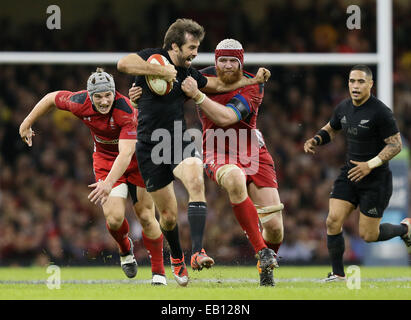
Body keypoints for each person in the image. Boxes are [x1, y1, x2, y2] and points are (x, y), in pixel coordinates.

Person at [118, 18, 270, 286]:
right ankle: (177, 258)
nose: (195, 53)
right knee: (167, 216)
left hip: (177, 138)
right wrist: (161, 73)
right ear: (175, 46)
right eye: (191, 47)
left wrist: (253, 79)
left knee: (195, 178)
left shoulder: (189, 74)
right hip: (149, 146)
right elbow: (123, 64)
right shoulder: (152, 58)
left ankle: (197, 252)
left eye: (197, 48)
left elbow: (219, 86)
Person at [19, 68, 167, 285]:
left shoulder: (125, 110)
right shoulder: (79, 102)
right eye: (98, 96)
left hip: (137, 161)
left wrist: (107, 184)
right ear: (90, 95)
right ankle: (125, 249)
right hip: (106, 162)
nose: (104, 101)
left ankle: (158, 273)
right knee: (114, 219)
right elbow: (51, 98)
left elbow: (126, 154)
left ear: (114, 93)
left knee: (145, 216)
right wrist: (27, 122)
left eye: (108, 95)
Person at [179, 39, 282, 286]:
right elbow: (167, 89)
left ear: (240, 62)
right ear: (215, 61)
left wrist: (197, 96)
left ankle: (265, 265)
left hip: (253, 152)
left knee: (276, 229)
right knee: (234, 178)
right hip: (217, 150)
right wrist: (139, 96)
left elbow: (227, 118)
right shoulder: (201, 78)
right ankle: (262, 251)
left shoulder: (253, 85)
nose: (226, 65)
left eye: (232, 61)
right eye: (222, 60)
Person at [303, 65, 411, 281]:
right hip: (351, 173)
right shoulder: (343, 107)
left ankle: (405, 229)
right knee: (333, 220)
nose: (355, 85)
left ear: (370, 84)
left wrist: (370, 165)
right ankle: (338, 274)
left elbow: (396, 145)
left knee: (369, 235)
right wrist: (316, 139)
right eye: (352, 81)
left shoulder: (381, 112)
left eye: (361, 81)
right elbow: (332, 128)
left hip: (376, 179)